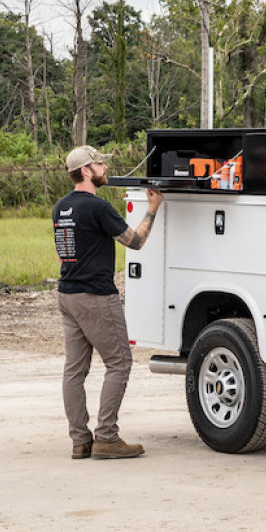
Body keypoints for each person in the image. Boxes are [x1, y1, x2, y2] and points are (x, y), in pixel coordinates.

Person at [53, 145, 164, 460]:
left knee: (74, 370)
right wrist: (152, 208)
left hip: (67, 294)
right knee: (119, 363)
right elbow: (136, 241)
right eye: (100, 163)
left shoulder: (60, 208)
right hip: (96, 296)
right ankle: (106, 437)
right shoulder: (97, 208)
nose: (105, 168)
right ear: (86, 170)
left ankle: (80, 441)